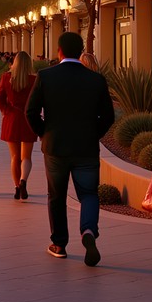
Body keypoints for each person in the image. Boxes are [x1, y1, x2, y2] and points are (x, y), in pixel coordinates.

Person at [26, 32, 114, 266]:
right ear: (82, 49)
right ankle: (88, 231)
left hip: (55, 147)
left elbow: (31, 111)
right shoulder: (96, 80)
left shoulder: (46, 76)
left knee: (56, 195)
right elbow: (108, 116)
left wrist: (44, 132)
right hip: (86, 147)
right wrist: (94, 133)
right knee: (89, 193)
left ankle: (59, 244)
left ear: (59, 51)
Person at [0, 50, 37, 200]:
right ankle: (23, 180)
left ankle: (17, 187)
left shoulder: (7, 78)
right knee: (26, 157)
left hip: (11, 119)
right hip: (28, 120)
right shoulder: (34, 79)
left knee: (14, 157)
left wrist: (6, 109)